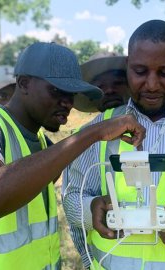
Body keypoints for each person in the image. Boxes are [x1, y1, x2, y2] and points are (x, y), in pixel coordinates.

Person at [0, 42, 146, 270]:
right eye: (57, 91)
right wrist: (94, 133)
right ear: (24, 83)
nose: (68, 104)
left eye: (71, 95)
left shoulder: (40, 141)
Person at [62, 20, 165, 269]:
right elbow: (72, 198)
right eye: (140, 72)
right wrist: (90, 210)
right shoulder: (96, 130)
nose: (152, 84)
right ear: (128, 67)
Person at [62, 51, 130, 268]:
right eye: (100, 86)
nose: (109, 90)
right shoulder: (83, 138)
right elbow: (73, 201)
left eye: (117, 83)